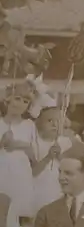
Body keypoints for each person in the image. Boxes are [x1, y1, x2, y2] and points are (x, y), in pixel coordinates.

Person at [0, 81, 37, 226]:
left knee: (20, 213)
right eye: (17, 98)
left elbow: (34, 156)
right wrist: (2, 143)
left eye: (25, 101)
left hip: (21, 174)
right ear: (7, 99)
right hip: (2, 172)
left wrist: (19, 145)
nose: (20, 103)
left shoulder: (29, 125)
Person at [32, 106, 77, 214]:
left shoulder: (65, 143)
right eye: (49, 120)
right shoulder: (34, 144)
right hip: (37, 194)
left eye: (58, 121)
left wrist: (60, 157)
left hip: (58, 194)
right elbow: (32, 172)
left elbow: (73, 169)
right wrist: (48, 157)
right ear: (39, 123)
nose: (54, 125)